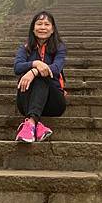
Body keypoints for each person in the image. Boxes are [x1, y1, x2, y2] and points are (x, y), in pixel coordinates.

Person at [13, 10, 67, 143]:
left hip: (54, 102)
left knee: (42, 77)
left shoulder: (59, 48)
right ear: (33, 28)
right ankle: (37, 125)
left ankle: (30, 123)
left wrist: (34, 71)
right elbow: (17, 67)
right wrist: (35, 63)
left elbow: (56, 68)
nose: (43, 27)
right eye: (39, 24)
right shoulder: (25, 48)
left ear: (53, 29)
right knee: (28, 78)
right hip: (26, 102)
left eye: (47, 24)